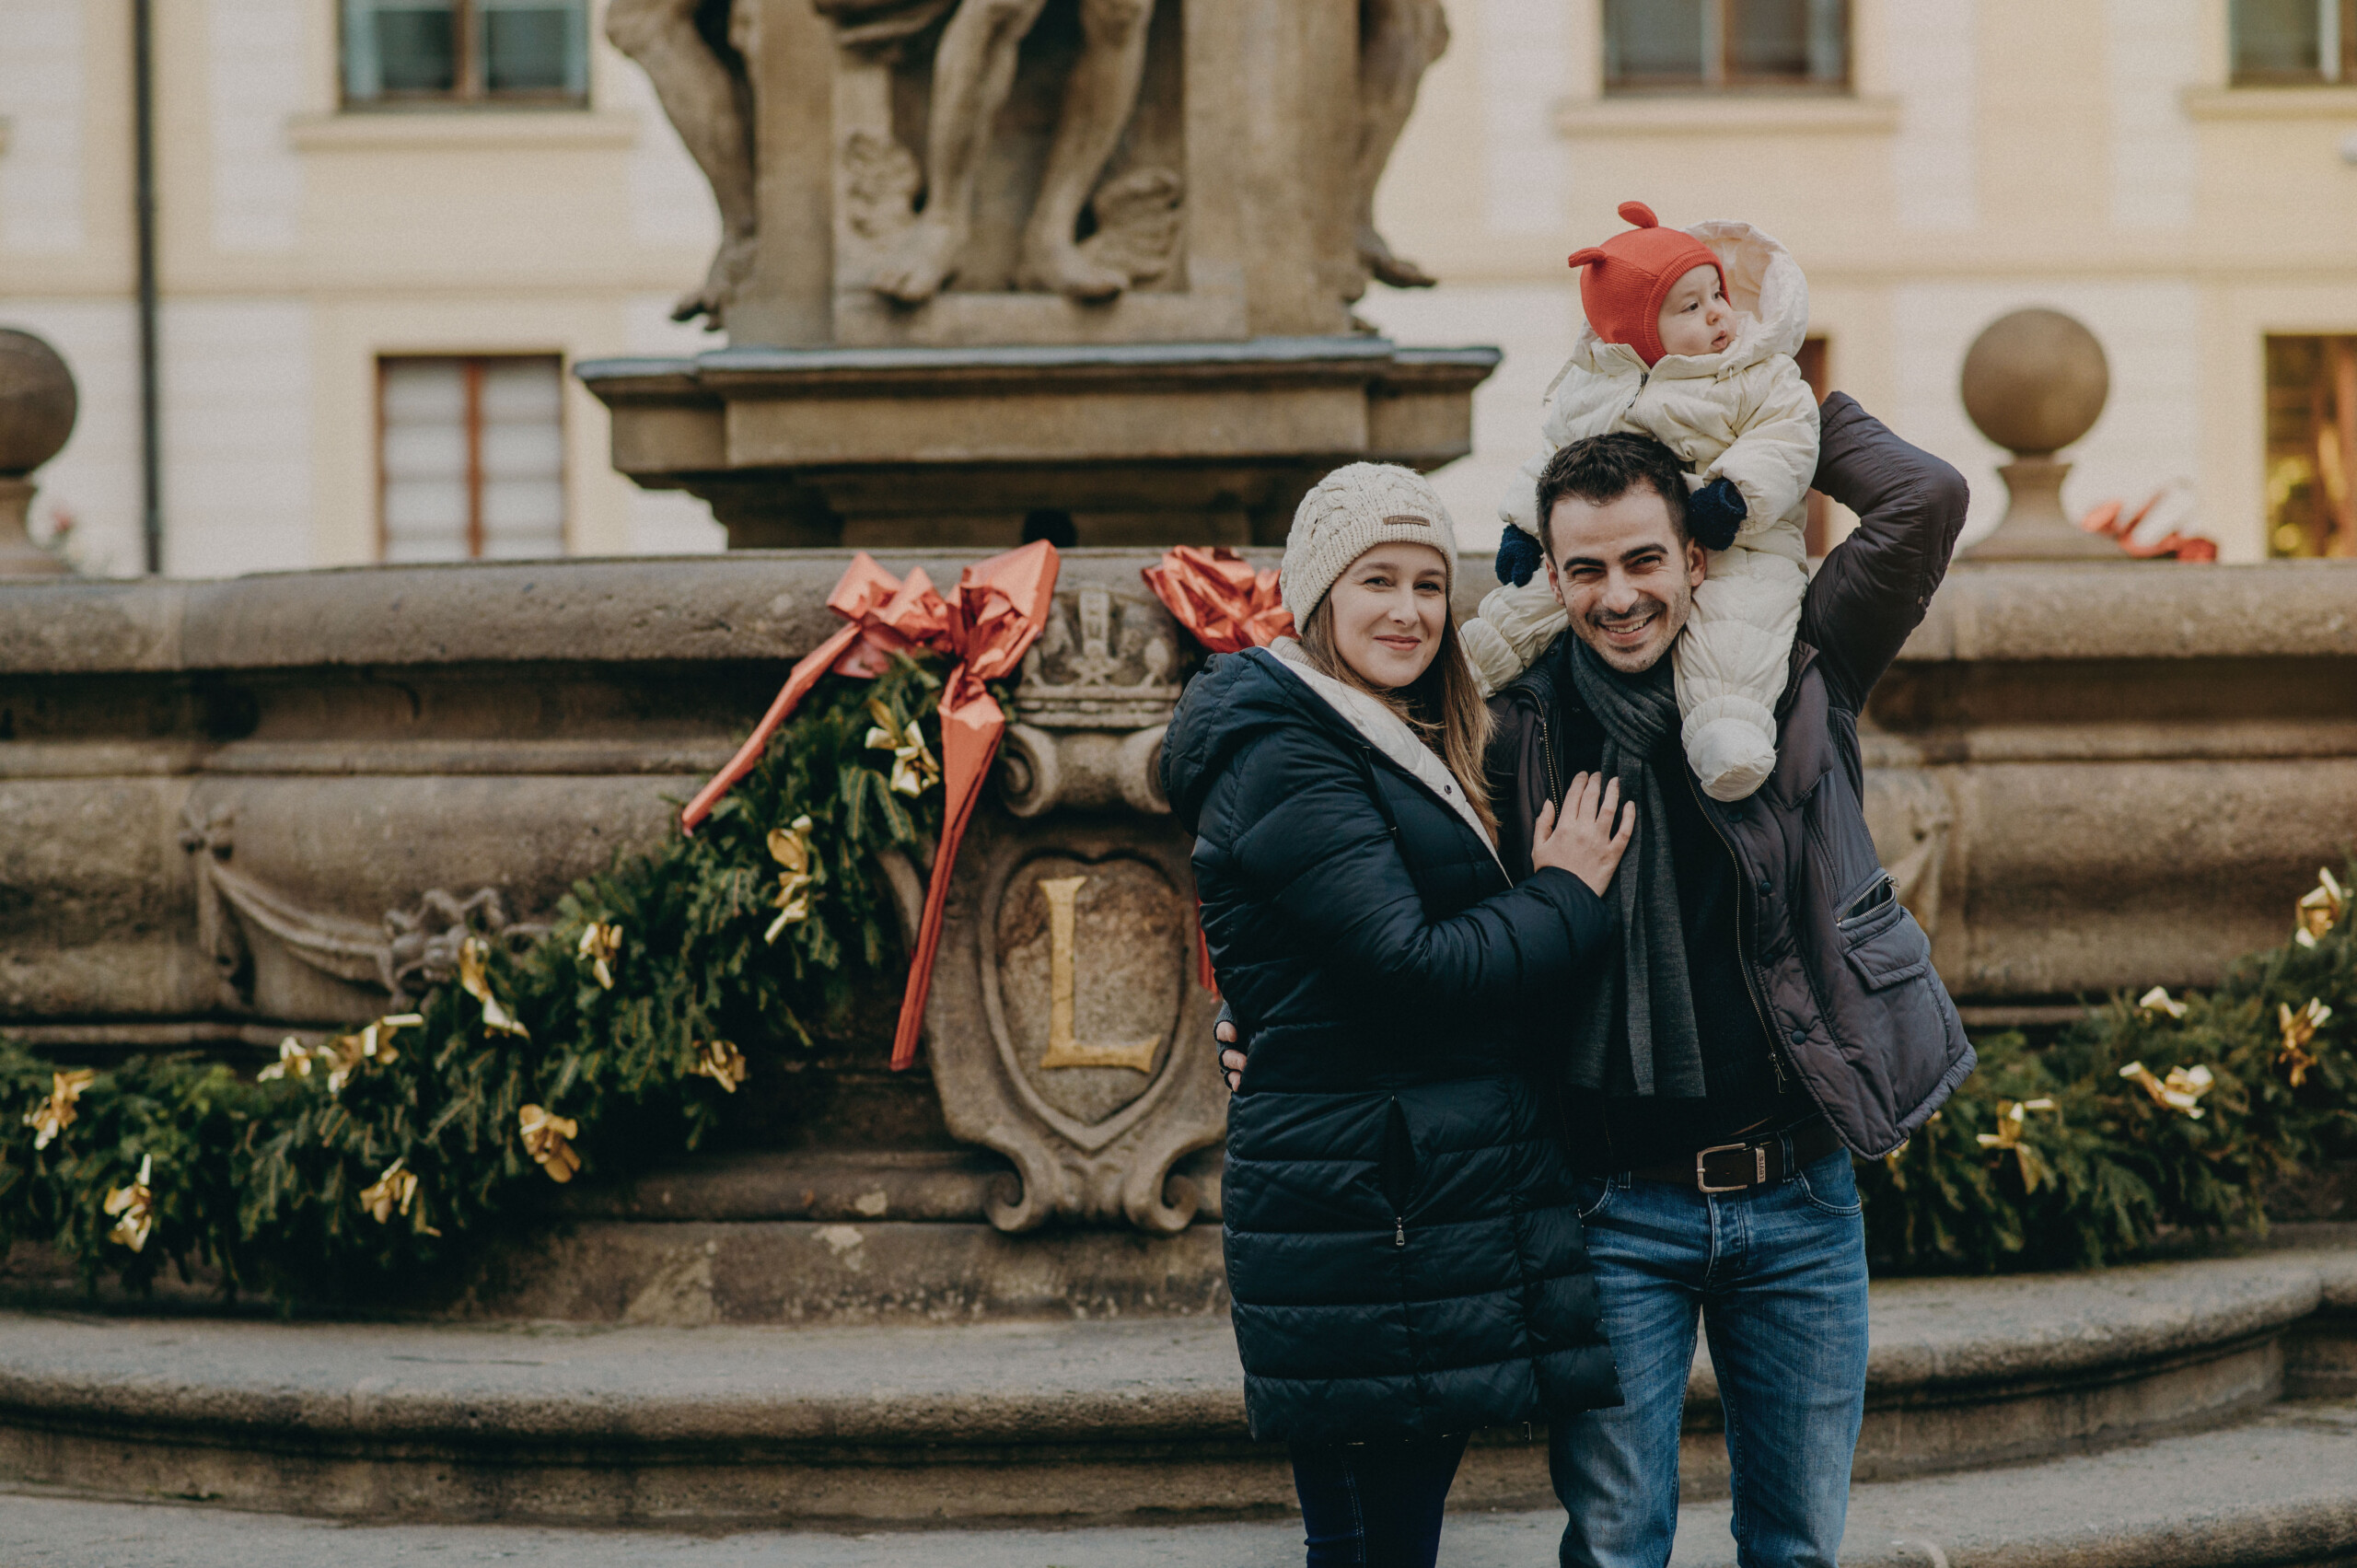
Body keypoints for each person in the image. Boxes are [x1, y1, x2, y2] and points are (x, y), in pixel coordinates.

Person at [1221, 402, 1977, 1568]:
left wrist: (1763, 396)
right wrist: (1260, 1012)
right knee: (1619, 1544)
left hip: (1800, 1194)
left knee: (1797, 1545)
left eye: (1641, 560)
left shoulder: (1793, 668)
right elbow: (1359, 888)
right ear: (1550, 575)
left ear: (1695, 556)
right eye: (1584, 569)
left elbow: (1922, 501)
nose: (1617, 594)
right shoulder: (1502, 723)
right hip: (1616, 1199)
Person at [1160, 462, 1633, 1568]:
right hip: (1377, 1208)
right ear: (1318, 593)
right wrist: (1564, 892)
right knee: (1378, 1537)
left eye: (1430, 583)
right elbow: (1408, 965)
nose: (1410, 610)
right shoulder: (1290, 749)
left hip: (1389, 1192)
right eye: (1378, 579)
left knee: (1373, 1536)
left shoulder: (1385, 732)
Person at [1471, 202, 1820, 805]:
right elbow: (1555, 459)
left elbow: (1786, 438)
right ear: (1638, 333)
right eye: (1692, 306)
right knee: (1526, 597)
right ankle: (1460, 682)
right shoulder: (1595, 385)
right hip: (1626, 535)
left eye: (1718, 293)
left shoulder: (1751, 372)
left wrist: (1736, 491)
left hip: (1737, 535)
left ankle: (1728, 730)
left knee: (1738, 622)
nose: (1719, 313)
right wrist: (1523, 526)